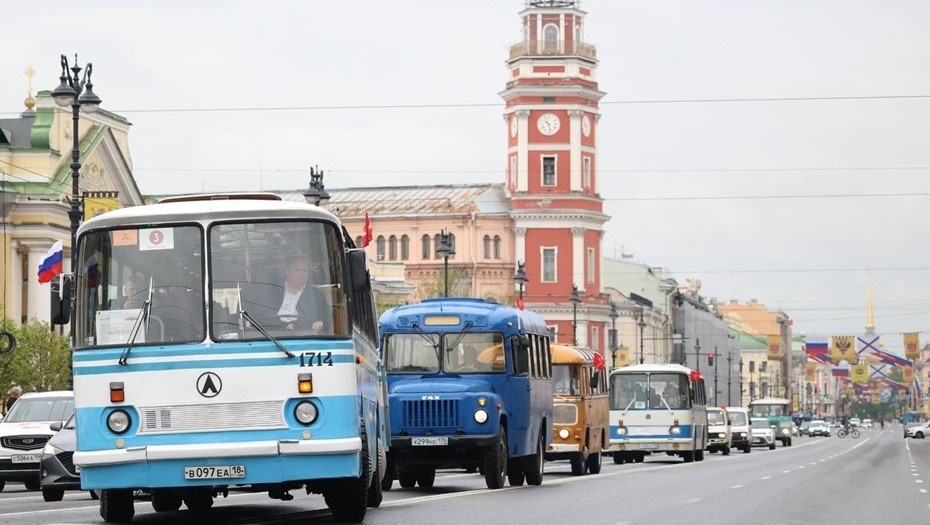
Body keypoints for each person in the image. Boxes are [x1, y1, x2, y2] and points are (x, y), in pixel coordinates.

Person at [274, 255, 330, 332]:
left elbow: (327, 315)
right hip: (273, 335)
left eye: (305, 271)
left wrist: (321, 323)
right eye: (297, 270)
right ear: (287, 271)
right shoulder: (274, 290)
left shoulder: (315, 294)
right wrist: (283, 325)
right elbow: (262, 315)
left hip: (303, 336)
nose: (302, 274)